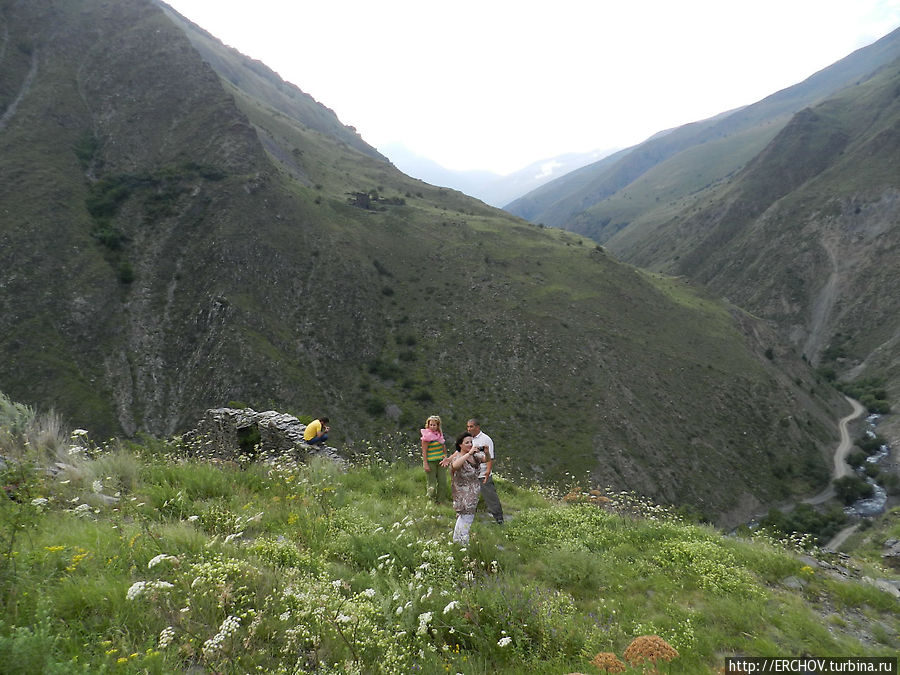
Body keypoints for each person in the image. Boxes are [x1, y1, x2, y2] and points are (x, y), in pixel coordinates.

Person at [447, 432, 486, 545]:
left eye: (471, 442)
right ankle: (463, 544)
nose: (470, 444)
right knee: (466, 518)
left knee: (463, 517)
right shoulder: (458, 456)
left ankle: (457, 541)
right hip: (462, 493)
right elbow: (455, 466)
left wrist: (486, 452)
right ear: (460, 445)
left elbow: (486, 459)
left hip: (473, 492)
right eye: (467, 442)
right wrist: (468, 453)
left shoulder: (475, 456)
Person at [467, 418, 504, 524]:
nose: (469, 429)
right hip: (470, 473)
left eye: (471, 426)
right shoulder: (467, 439)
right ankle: (469, 516)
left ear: (477, 427)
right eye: (468, 427)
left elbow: (490, 457)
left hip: (482, 473)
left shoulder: (486, 439)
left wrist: (488, 471)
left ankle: (499, 518)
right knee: (469, 495)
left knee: (490, 496)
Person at [420, 415, 448, 503]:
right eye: (431, 425)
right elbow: (424, 451)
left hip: (440, 461)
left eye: (434, 425)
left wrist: (445, 457)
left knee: (443, 482)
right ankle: (430, 501)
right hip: (430, 461)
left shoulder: (439, 436)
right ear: (428, 425)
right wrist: (425, 463)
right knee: (432, 484)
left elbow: (444, 448)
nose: (432, 427)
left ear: (438, 426)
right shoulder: (426, 437)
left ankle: (440, 501)